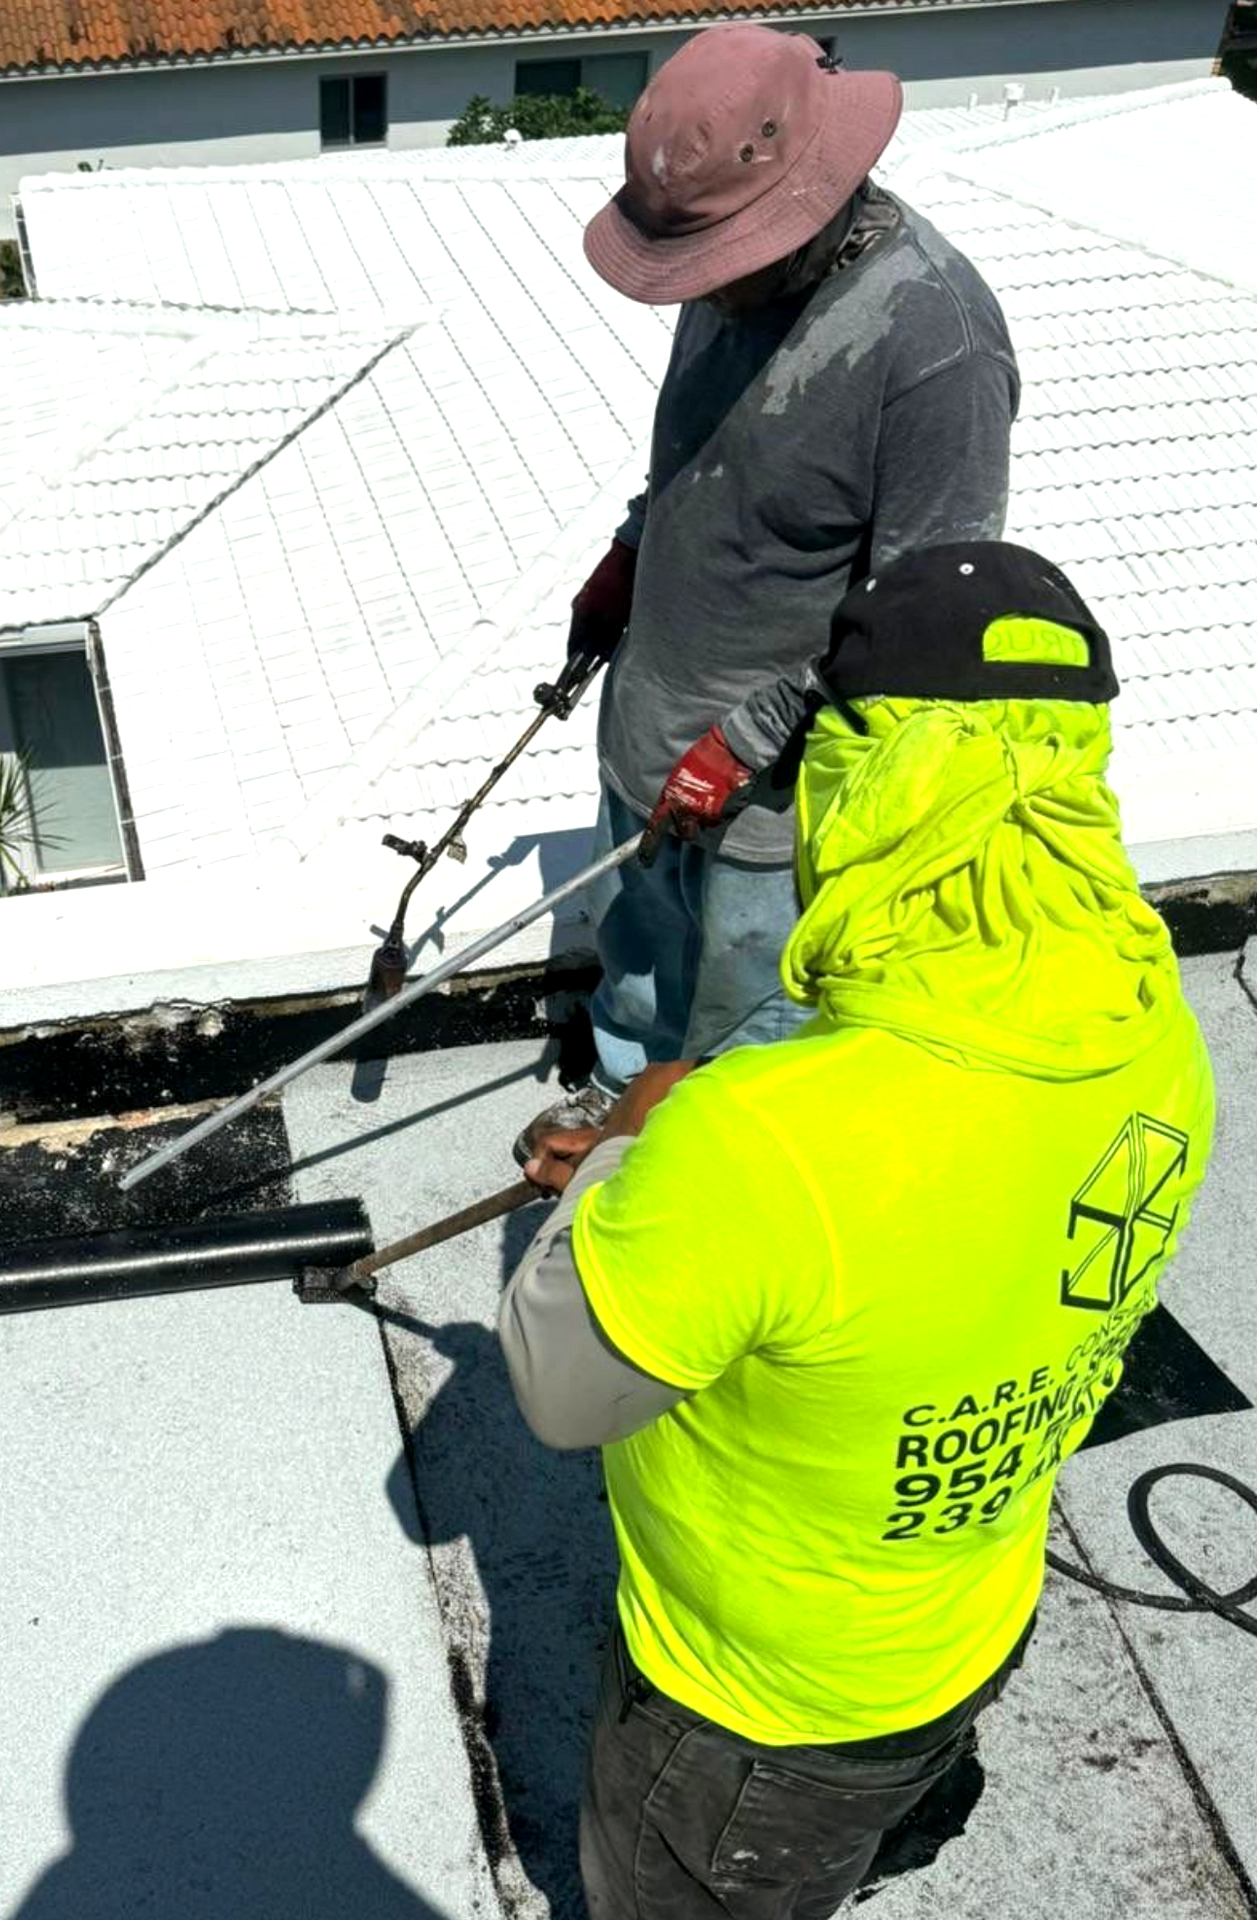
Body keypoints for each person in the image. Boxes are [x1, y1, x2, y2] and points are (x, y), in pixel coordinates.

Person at [498, 541, 1216, 1920]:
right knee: (884, 1802)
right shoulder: (1160, 1040)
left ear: (861, 780)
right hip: (968, 1623)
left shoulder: (759, 1139)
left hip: (746, 1720)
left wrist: (639, 1138)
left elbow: (558, 1389)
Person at [521, 24, 1019, 1162]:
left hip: (776, 787)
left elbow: (922, 617)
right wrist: (630, 555)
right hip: (657, 721)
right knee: (643, 947)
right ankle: (618, 1083)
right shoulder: (732, 259)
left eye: (714, 260)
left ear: (808, 197)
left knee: (749, 1022)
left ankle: (712, 1170)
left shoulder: (934, 341)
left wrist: (748, 735)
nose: (697, 287)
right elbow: (703, 456)